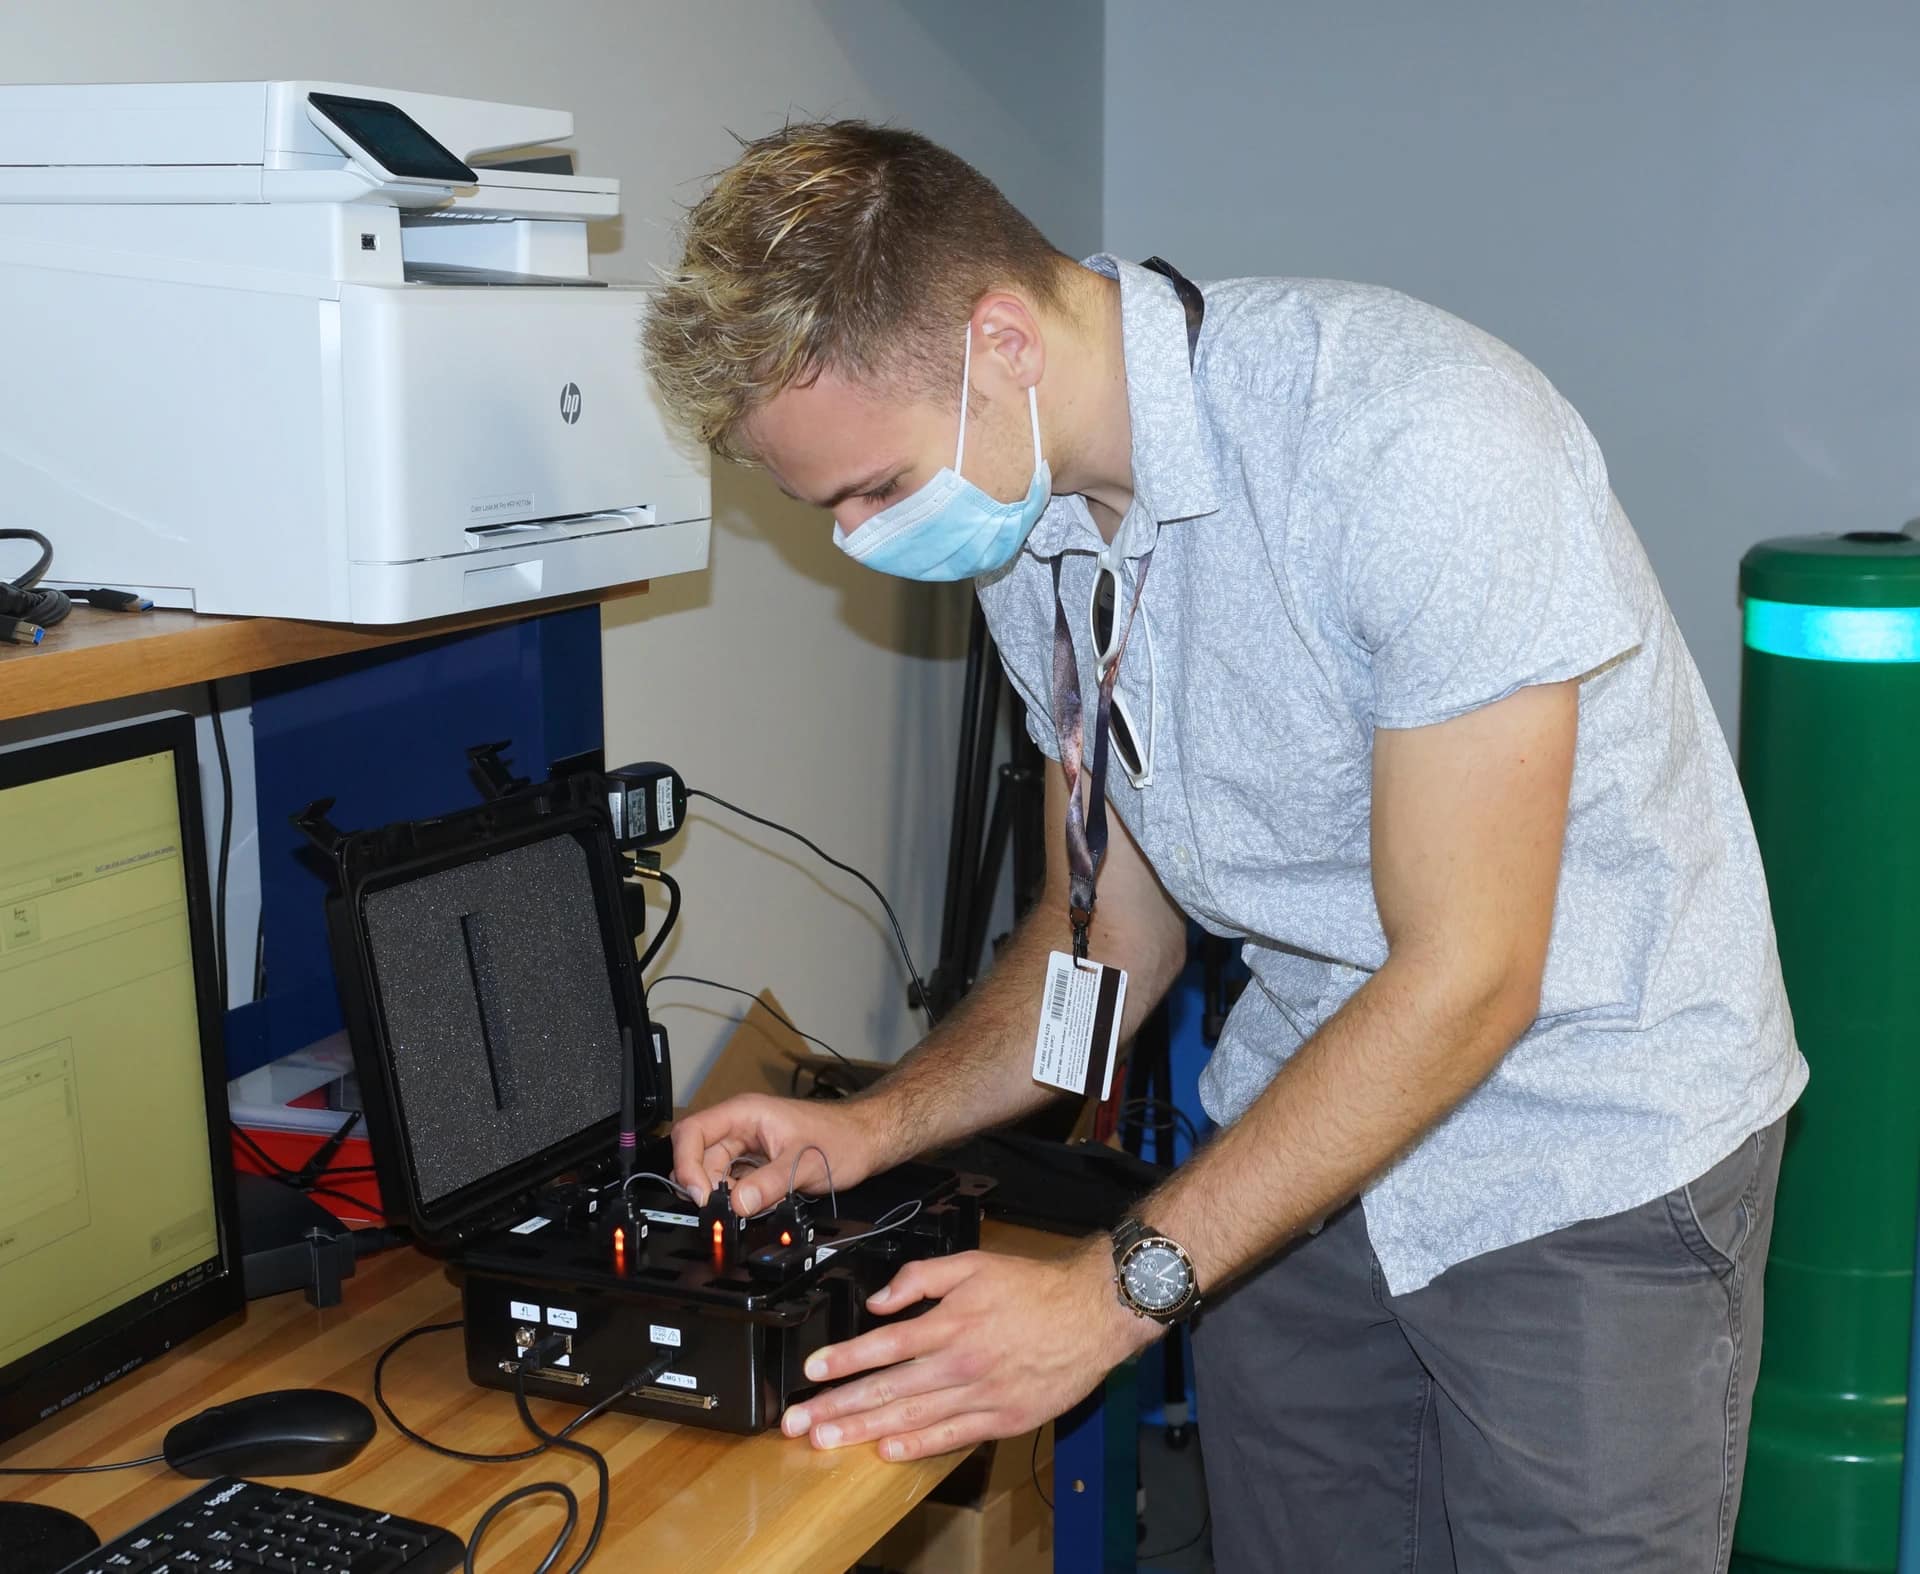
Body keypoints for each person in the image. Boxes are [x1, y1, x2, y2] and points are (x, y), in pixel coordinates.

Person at [643, 120, 1806, 1572]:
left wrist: (1108, 1292)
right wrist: (870, 1123)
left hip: (1583, 1137)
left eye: (870, 489)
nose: (861, 539)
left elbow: (1470, 977)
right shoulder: (1036, 539)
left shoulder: (1415, 441)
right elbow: (1111, 932)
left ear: (1001, 340)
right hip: (1310, 1131)